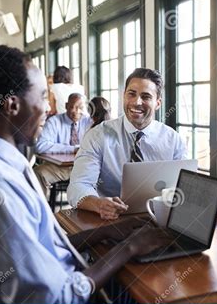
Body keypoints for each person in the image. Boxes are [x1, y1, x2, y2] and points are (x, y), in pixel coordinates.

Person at [0, 45, 170, 304]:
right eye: (42, 96)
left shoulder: (5, 166)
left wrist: (106, 232)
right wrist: (130, 247)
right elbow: (55, 302)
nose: (49, 108)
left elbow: (43, 244)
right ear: (11, 105)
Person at [67, 68, 187, 220]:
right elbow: (77, 186)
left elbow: (185, 187)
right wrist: (98, 204)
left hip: (159, 220)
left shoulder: (173, 140)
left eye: (146, 97)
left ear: (158, 103)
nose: (137, 102)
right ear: (124, 96)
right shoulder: (98, 135)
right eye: (131, 94)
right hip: (109, 221)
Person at [34, 93, 92, 196]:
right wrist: (72, 149)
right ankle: (43, 209)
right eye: (72, 107)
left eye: (80, 108)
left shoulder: (89, 121)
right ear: (66, 106)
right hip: (61, 167)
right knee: (38, 173)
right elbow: (40, 146)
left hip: (85, 167)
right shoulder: (54, 122)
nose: (76, 112)